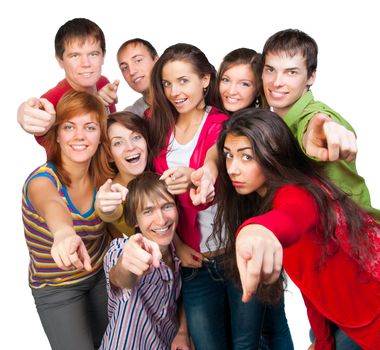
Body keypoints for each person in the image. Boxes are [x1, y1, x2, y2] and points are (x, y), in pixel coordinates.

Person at [213, 108, 380, 350]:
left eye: (246, 157)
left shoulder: (296, 193)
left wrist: (258, 229)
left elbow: (290, 216)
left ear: (272, 154)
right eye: (228, 155)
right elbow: (310, 284)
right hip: (346, 317)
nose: (233, 169)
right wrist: (323, 341)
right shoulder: (268, 198)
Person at [149, 42, 266, 349]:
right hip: (194, 263)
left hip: (236, 254)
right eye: (167, 83)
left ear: (204, 80)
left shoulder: (222, 123)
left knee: (246, 344)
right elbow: (159, 203)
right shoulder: (160, 130)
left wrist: (199, 175)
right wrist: (178, 244)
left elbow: (217, 156)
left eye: (183, 81)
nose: (174, 91)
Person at [21, 91, 114, 349]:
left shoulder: (104, 176)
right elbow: (52, 204)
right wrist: (63, 233)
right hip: (57, 288)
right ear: (58, 136)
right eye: (69, 127)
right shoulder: (42, 181)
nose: (79, 136)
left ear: (100, 136)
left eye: (90, 127)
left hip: (99, 277)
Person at [261, 28, 380, 222]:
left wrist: (325, 130)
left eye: (291, 72)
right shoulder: (272, 120)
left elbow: (315, 123)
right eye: (270, 70)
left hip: (354, 235)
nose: (276, 82)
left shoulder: (313, 115)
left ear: (311, 77)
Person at [217, 48, 294, 349]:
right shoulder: (220, 124)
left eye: (244, 83)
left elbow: (294, 209)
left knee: (266, 328)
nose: (232, 90)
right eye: (226, 79)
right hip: (235, 246)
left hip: (263, 238)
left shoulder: (270, 130)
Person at [100, 171, 190, 349]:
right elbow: (120, 277)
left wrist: (182, 331)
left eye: (167, 206)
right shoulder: (122, 248)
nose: (162, 219)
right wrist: (128, 265)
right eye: (148, 211)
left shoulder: (179, 256)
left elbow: (186, 298)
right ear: (134, 220)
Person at [17, 17, 117, 148]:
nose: (86, 64)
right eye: (75, 56)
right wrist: (23, 113)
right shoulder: (51, 101)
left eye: (93, 54)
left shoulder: (103, 83)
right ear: (60, 60)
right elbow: (35, 119)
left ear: (103, 56)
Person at [95, 111, 150, 238]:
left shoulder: (158, 172)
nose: (130, 147)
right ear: (109, 156)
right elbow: (109, 211)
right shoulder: (112, 192)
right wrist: (106, 209)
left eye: (136, 137)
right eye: (118, 143)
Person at [100, 38, 159, 116]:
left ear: (156, 60)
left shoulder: (177, 96)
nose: (131, 72)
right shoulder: (131, 116)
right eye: (124, 68)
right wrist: (100, 106)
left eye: (138, 60)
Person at [218, 47, 268, 113]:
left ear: (258, 90)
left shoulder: (263, 122)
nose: (231, 91)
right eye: (226, 80)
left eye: (244, 84)